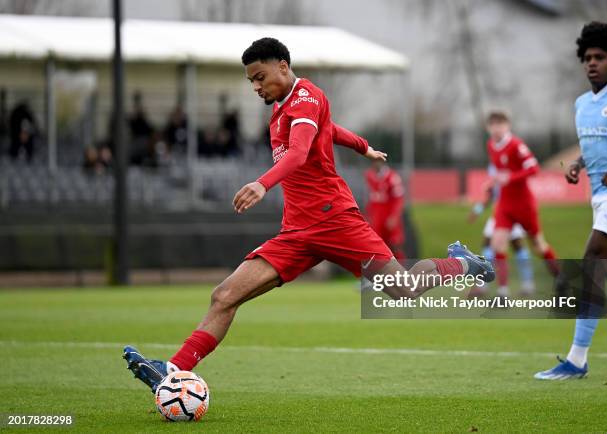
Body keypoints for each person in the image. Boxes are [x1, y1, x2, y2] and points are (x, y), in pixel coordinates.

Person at [122, 37, 494, 392]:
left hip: (335, 221)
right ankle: (171, 371)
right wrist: (363, 147)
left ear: (283, 67)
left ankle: (461, 263)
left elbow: (300, 153)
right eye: (251, 80)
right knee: (224, 296)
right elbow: (328, 130)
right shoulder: (285, 110)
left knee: (404, 289)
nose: (256, 86)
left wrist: (262, 184)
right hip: (297, 231)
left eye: (260, 77)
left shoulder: (306, 96)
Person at [535, 21, 607, 380]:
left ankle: (577, 360)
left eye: (600, 57)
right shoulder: (582, 104)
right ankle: (577, 359)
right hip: (599, 198)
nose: (592, 63)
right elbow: (592, 143)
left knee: (591, 263)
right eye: (587, 58)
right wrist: (578, 165)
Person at [485, 111, 559, 300]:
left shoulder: (516, 145)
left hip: (524, 204)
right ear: (488, 127)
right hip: (505, 204)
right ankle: (502, 292)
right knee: (497, 243)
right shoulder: (491, 145)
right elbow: (500, 172)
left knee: (538, 245)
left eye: (500, 123)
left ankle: (561, 278)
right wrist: (494, 182)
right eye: (493, 124)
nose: (496, 128)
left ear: (508, 125)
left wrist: (511, 177)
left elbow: (534, 168)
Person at [467, 165, 535, 297]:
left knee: (515, 246)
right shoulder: (498, 166)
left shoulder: (509, 168)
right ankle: (526, 284)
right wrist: (476, 211)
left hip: (510, 214)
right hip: (501, 215)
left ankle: (487, 286)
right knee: (498, 246)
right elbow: (490, 196)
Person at [364, 160, 406, 261]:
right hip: (376, 216)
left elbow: (398, 198)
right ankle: (379, 272)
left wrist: (394, 216)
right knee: (376, 245)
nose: (375, 164)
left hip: (388, 215)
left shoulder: (392, 177)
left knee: (395, 244)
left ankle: (401, 270)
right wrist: (368, 215)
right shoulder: (369, 175)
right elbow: (370, 198)